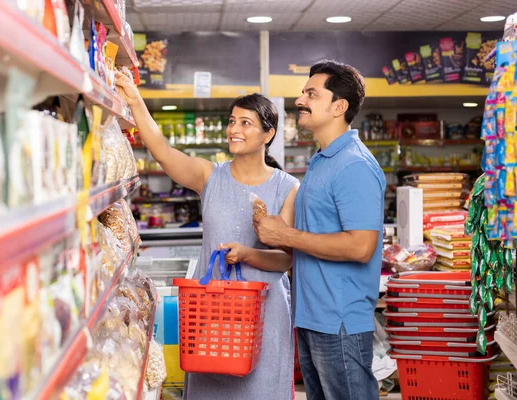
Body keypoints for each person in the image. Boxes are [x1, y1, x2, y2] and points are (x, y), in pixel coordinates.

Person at [114, 70, 299, 400]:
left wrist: (247, 253)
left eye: (245, 123)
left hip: (265, 313)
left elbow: (286, 258)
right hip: (210, 308)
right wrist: (134, 99)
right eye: (232, 121)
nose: (233, 130)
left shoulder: (287, 187)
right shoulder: (209, 176)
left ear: (268, 134)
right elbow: (161, 150)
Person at [253, 60, 385, 400]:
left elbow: (360, 247)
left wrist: (285, 235)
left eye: (312, 94)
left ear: (339, 106)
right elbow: (313, 235)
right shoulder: (323, 160)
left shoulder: (354, 164)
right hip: (312, 316)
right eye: (303, 93)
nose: (301, 100)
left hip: (339, 320)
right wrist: (275, 230)